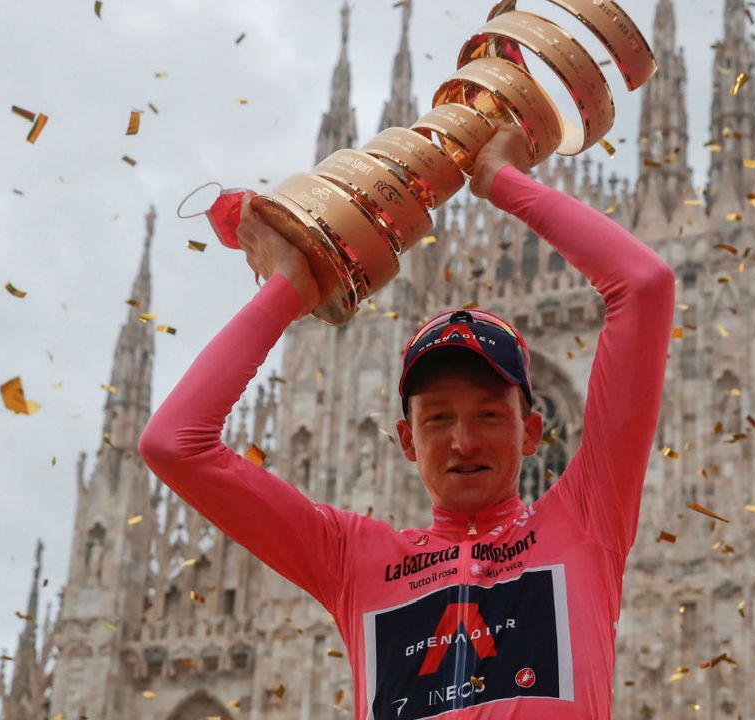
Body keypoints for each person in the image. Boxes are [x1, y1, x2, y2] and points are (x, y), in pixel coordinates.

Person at [138, 123, 675, 719]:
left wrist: (502, 182)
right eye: (438, 417)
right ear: (406, 441)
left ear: (531, 432)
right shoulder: (351, 559)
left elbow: (645, 286)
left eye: (489, 415)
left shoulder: (584, 522)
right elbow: (173, 445)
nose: (463, 439)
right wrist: (291, 287)